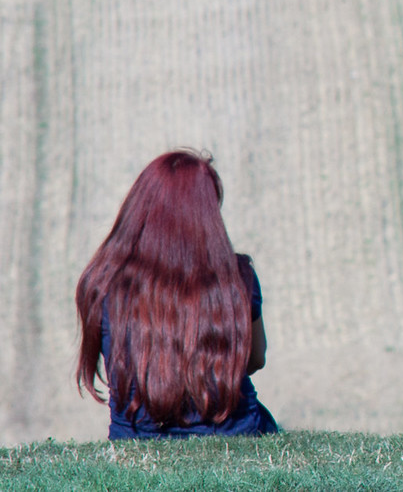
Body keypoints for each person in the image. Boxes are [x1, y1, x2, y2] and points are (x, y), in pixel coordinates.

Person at [75, 150, 278, 438]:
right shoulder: (238, 276)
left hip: (138, 440)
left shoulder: (103, 281)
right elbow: (255, 359)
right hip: (234, 435)